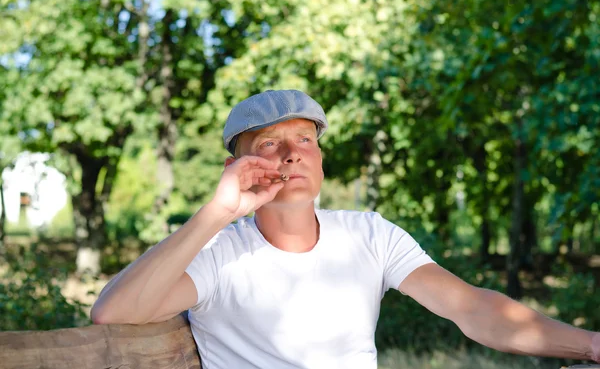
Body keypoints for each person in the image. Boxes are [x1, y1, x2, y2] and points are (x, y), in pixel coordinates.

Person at [91, 89, 600, 369]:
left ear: (320, 157)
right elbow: (112, 313)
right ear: (235, 165)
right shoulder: (221, 252)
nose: (291, 152)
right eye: (268, 144)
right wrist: (216, 213)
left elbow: (473, 309)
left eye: (304, 139)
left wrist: (591, 345)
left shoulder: (370, 235)